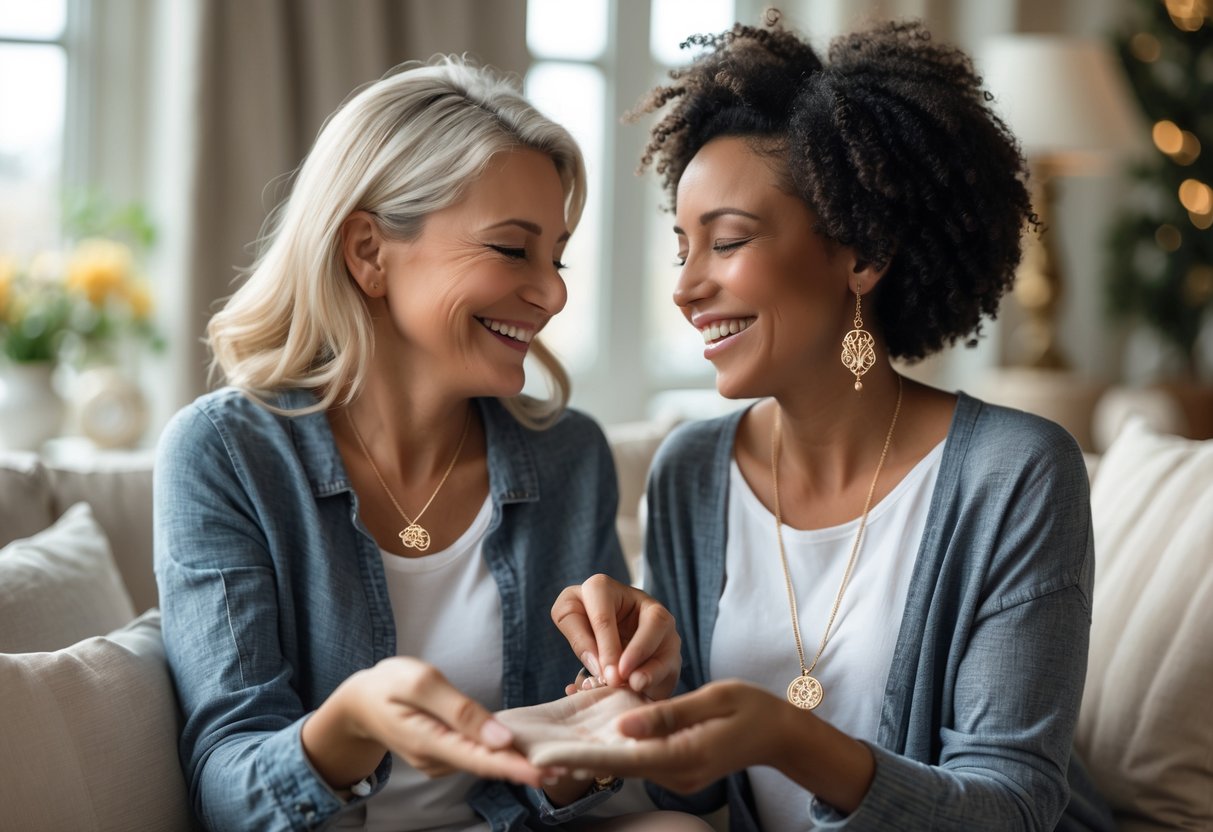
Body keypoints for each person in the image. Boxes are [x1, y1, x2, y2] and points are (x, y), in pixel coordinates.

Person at [550, 16, 1116, 832]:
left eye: (728, 241)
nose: (685, 288)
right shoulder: (691, 470)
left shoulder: (1015, 471)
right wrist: (645, 705)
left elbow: (1012, 806)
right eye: (681, 248)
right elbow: (697, 803)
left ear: (861, 252)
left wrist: (787, 737)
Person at [153, 57, 693, 832]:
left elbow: (557, 789)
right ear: (369, 251)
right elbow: (228, 791)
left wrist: (609, 722)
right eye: (513, 250)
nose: (552, 292)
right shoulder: (227, 454)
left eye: (558, 256)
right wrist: (353, 722)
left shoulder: (566, 455)